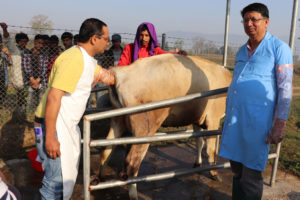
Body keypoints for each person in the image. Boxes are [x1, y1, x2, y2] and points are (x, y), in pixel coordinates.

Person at [33, 18, 115, 199]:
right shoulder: (73, 59)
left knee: (62, 179)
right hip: (53, 125)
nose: (108, 42)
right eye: (106, 38)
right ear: (94, 38)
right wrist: (50, 138)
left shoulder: (87, 60)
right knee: (54, 183)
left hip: (64, 125)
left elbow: (107, 76)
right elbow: (54, 97)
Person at [219, 3, 293, 200]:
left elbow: (285, 88)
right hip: (235, 120)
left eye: (254, 19)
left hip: (258, 123)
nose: (249, 24)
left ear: (266, 22)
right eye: (246, 20)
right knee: (236, 169)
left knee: (251, 175)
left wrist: (279, 124)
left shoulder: (279, 48)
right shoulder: (242, 51)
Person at [118, 22, 186, 66]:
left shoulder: (155, 50)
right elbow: (122, 65)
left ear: (151, 37)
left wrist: (178, 53)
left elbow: (166, 55)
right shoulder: (129, 48)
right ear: (138, 35)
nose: (144, 38)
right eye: (141, 35)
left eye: (146, 35)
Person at [0, 23, 31, 113]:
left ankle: (24, 110)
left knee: (26, 95)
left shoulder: (28, 51)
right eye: (21, 41)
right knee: (20, 95)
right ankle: (21, 110)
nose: (24, 43)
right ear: (18, 41)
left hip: (27, 77)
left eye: (25, 41)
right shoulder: (14, 50)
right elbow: (7, 40)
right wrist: (5, 29)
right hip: (18, 77)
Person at [23, 34, 49, 110]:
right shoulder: (28, 54)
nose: (40, 45)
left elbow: (44, 69)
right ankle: (30, 115)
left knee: (41, 101)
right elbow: (26, 68)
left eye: (42, 43)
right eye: (39, 42)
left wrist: (37, 80)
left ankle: (39, 114)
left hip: (41, 81)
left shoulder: (44, 55)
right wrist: (32, 80)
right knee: (30, 101)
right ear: (35, 42)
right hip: (30, 80)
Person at [0, 34, 12, 107]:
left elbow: (9, 63)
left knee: (4, 89)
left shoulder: (3, 51)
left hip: (3, 73)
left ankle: (1, 104)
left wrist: (8, 55)